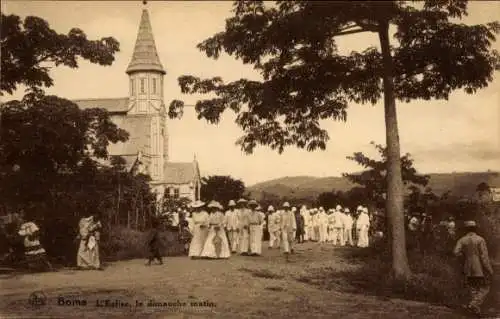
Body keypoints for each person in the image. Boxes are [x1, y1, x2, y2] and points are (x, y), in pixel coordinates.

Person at [453, 220, 494, 316]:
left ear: (466, 229)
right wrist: (489, 269)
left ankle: (475, 311)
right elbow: (484, 257)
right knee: (485, 288)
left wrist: (463, 256)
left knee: (472, 288)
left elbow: (455, 252)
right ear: (475, 228)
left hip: (467, 267)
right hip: (479, 268)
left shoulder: (462, 240)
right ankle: (473, 305)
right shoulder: (480, 239)